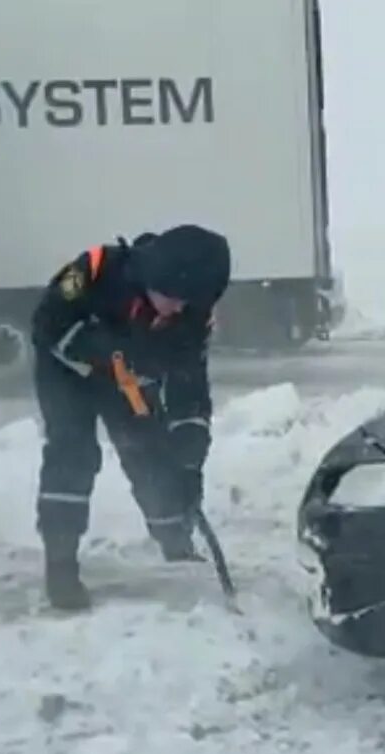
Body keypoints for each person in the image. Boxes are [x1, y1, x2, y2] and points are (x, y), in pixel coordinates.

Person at [29, 223, 231, 612]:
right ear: (158, 276)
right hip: (66, 371)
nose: (178, 309)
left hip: (127, 380)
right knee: (73, 454)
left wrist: (191, 453)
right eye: (173, 298)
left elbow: (189, 384)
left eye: (188, 303)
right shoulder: (95, 267)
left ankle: (176, 542)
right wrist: (100, 352)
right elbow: (46, 325)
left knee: (152, 452)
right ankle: (60, 563)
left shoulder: (192, 313)